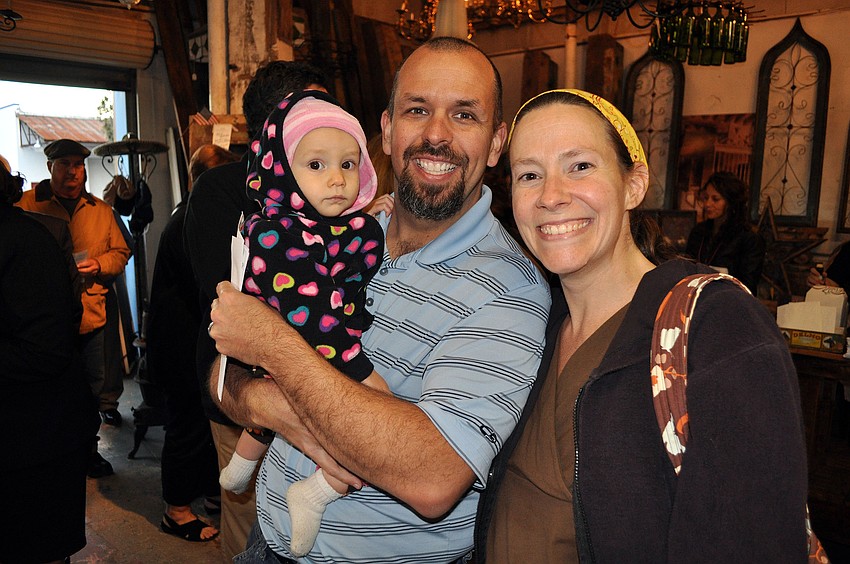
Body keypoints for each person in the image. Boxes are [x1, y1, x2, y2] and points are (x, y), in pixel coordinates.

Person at [207, 36, 551, 563]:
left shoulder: (510, 288)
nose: (436, 135)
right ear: (386, 131)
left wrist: (274, 348)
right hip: (266, 544)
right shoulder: (336, 234)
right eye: (417, 110)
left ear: (498, 142)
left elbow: (432, 477)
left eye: (464, 115)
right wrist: (276, 403)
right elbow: (221, 372)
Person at [474, 89, 808, 562]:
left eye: (580, 166)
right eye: (530, 174)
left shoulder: (718, 326)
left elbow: (753, 540)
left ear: (634, 184)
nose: (551, 196)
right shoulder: (530, 323)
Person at [217, 90, 390, 556]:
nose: (336, 179)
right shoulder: (276, 234)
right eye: (316, 166)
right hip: (304, 351)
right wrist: (366, 376)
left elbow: (340, 248)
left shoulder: (334, 223)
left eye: (349, 165)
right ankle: (316, 491)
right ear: (282, 170)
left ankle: (241, 463)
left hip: (289, 357)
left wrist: (371, 213)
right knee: (370, 425)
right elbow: (315, 326)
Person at [184, 60, 331, 558]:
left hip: (316, 386)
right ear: (276, 122)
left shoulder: (330, 187)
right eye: (317, 107)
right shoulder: (222, 191)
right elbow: (229, 298)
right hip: (242, 388)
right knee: (249, 518)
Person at [0, 156, 100, 563]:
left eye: (78, 165)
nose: (71, 173)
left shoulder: (25, 239)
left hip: (34, 433)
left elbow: (46, 347)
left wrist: (105, 264)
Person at [16, 138, 132, 478]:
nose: (73, 172)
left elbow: (121, 253)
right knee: (47, 388)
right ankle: (47, 453)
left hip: (91, 315)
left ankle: (87, 450)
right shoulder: (26, 207)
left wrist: (98, 265)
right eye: (65, 164)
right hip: (43, 319)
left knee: (91, 388)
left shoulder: (100, 211)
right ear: (50, 167)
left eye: (78, 165)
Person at [148, 144, 238, 543]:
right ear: (198, 179)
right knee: (186, 425)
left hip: (190, 339)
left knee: (205, 424)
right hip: (178, 343)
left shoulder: (193, 214)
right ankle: (177, 511)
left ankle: (209, 493)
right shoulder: (189, 219)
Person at [685, 171, 765, 294]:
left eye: (715, 199)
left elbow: (748, 285)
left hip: (729, 300)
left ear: (731, 202)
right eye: (706, 198)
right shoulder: (699, 231)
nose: (707, 204)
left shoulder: (748, 238)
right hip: (695, 297)